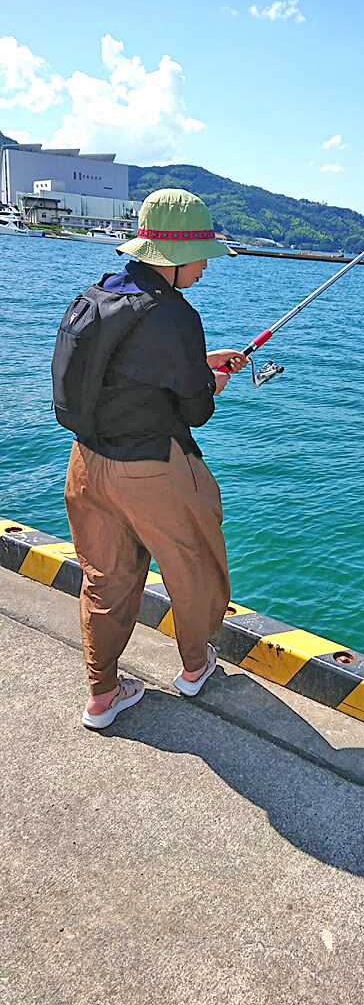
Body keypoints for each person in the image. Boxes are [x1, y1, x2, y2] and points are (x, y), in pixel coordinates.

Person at [61, 188, 248, 729]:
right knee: (194, 565)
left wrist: (195, 362)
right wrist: (209, 379)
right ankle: (194, 670)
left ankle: (102, 693)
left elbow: (122, 369)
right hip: (151, 468)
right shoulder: (176, 315)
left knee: (105, 578)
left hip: (87, 465)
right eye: (203, 257)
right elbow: (195, 410)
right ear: (174, 256)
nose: (206, 268)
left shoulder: (105, 293)